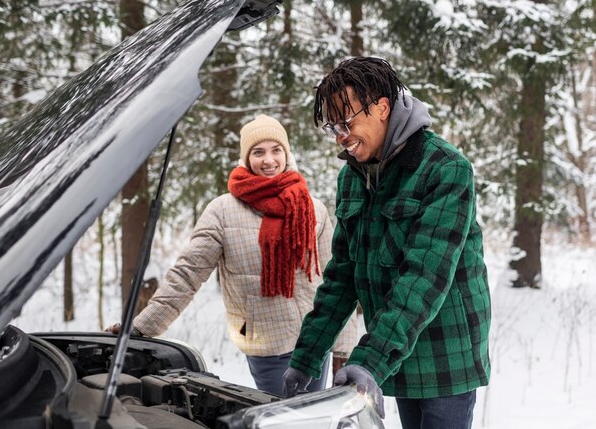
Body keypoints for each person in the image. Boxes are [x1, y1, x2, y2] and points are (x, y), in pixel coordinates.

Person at [282, 57, 491, 428]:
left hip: (447, 351)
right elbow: (342, 276)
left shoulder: (444, 169)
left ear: (382, 107)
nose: (340, 136)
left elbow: (424, 278)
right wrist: (307, 354)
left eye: (347, 122)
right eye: (332, 126)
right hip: (398, 347)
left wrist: (370, 359)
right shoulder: (352, 177)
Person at [107, 114, 356, 397]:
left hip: (315, 342)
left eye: (276, 150)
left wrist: (343, 349)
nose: (269, 160)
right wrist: (142, 326)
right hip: (269, 347)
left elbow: (336, 279)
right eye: (258, 152)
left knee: (313, 418)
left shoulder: (311, 207)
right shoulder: (222, 211)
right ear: (246, 158)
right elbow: (187, 275)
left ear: (286, 154)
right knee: (281, 416)